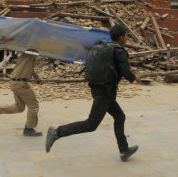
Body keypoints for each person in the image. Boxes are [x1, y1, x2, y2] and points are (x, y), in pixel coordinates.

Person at [45, 24, 141, 161]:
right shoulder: (119, 51)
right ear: (121, 38)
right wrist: (135, 77)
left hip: (100, 89)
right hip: (105, 93)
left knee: (119, 116)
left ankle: (124, 150)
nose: (127, 38)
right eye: (126, 35)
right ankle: (57, 132)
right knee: (91, 124)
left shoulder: (105, 47)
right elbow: (126, 71)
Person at [0, 52, 43, 137]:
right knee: (33, 106)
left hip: (15, 82)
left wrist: (37, 78)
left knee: (19, 107)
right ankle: (29, 129)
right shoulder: (30, 53)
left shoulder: (26, 54)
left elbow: (30, 69)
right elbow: (30, 68)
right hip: (21, 84)